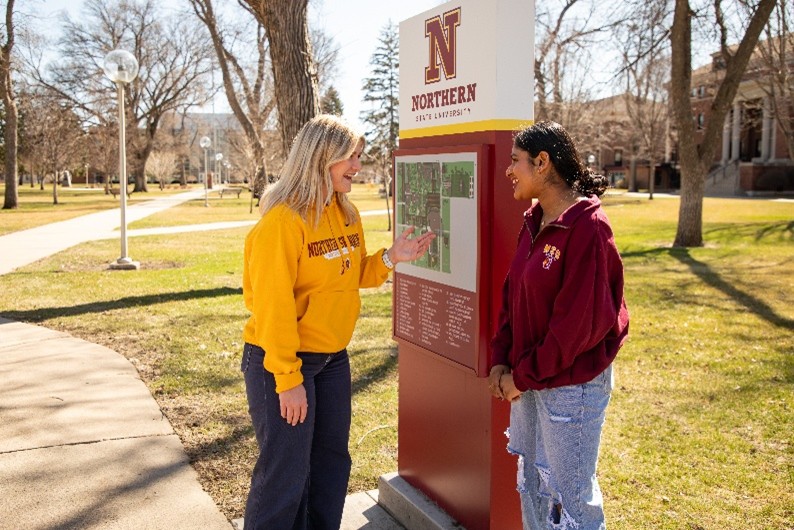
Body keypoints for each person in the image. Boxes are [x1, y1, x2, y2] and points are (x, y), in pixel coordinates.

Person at [241, 114, 435, 530]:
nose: (358, 166)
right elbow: (272, 307)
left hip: (332, 361)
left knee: (331, 464)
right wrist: (288, 378)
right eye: (351, 157)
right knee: (285, 473)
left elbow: (351, 275)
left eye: (359, 156)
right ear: (320, 158)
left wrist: (390, 258)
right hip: (284, 362)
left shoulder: (346, 213)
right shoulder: (282, 223)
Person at [488, 121, 629, 530]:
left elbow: (577, 327)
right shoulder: (535, 220)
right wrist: (502, 361)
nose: (510, 170)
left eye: (516, 161)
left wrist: (523, 376)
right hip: (530, 379)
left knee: (570, 501)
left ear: (543, 162)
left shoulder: (589, 228)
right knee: (531, 483)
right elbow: (514, 295)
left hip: (572, 387)